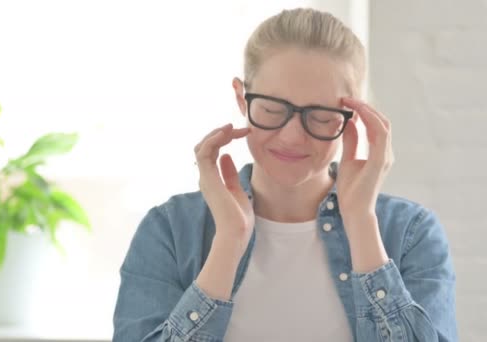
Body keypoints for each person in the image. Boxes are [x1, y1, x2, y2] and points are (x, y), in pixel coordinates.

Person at [112, 7, 457, 342]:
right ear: (241, 98)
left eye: (321, 116)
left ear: (356, 117)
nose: (292, 136)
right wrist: (229, 242)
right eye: (273, 109)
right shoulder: (170, 230)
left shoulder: (410, 234)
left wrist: (362, 222)